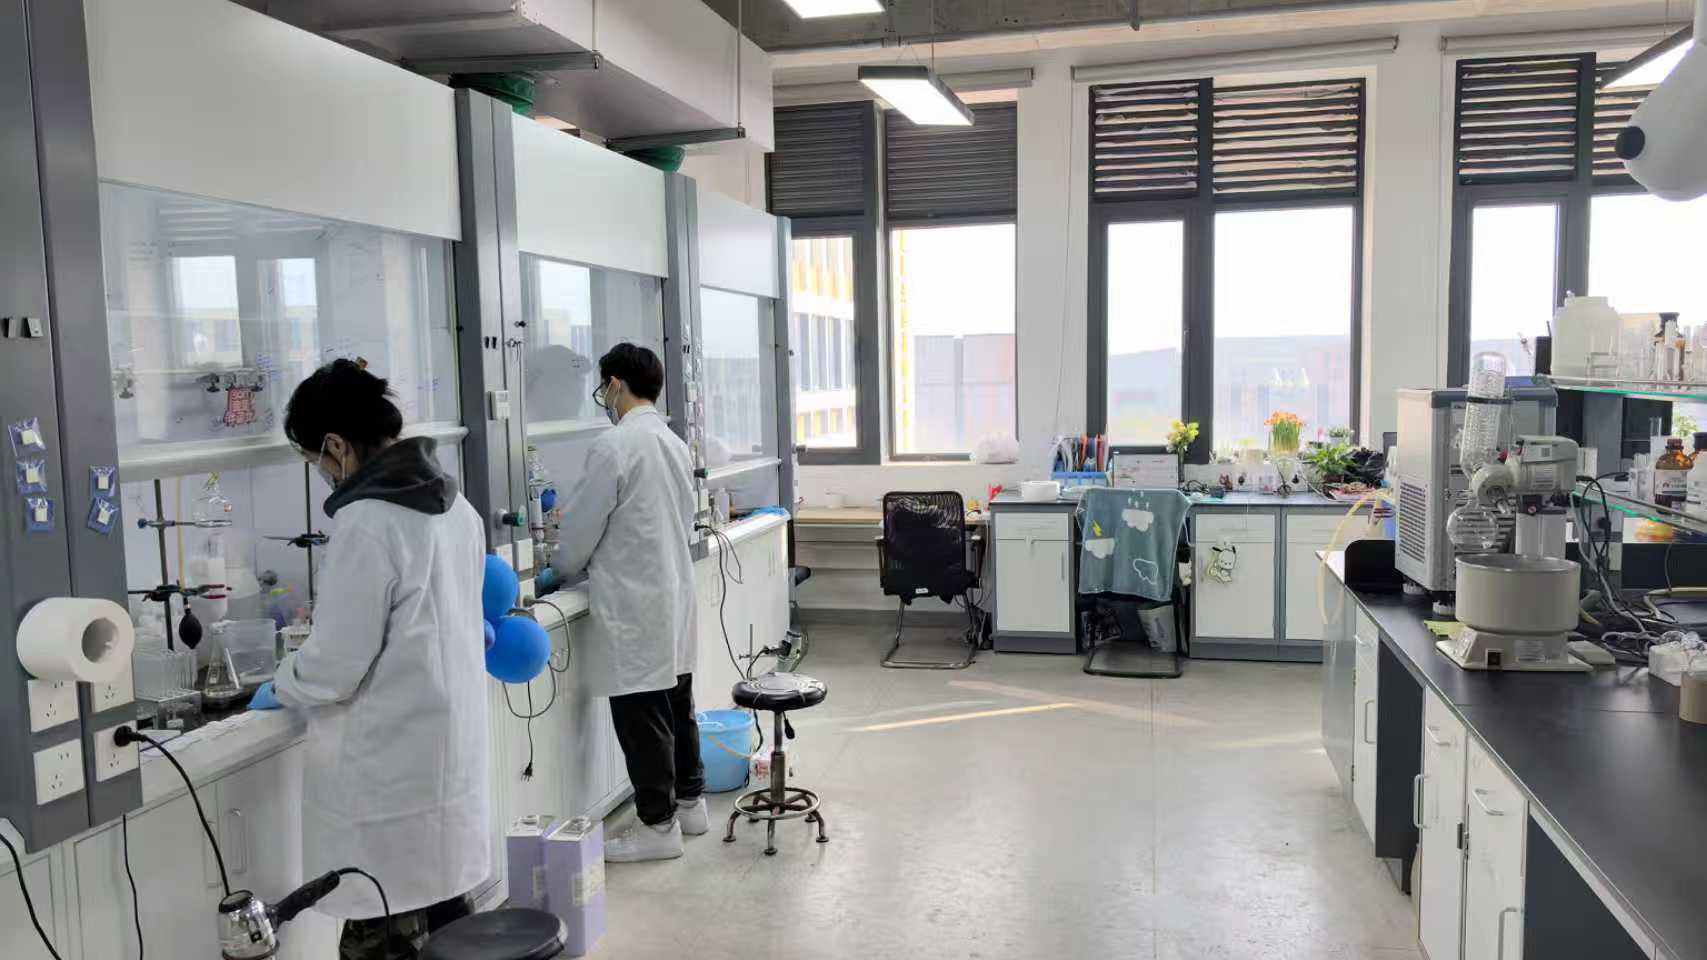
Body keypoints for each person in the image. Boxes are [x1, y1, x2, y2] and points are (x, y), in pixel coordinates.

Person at [251, 358, 490, 959]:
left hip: (388, 776)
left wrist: (284, 681)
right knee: (449, 926)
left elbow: (335, 668)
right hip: (448, 755)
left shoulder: (367, 523)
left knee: (383, 930)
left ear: (336, 445)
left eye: (316, 460)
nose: (322, 474)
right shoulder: (455, 508)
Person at [557, 342, 704, 862]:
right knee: (677, 701)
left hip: (635, 599)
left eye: (605, 386)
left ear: (615, 384)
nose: (604, 396)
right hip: (671, 590)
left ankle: (658, 827)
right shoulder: (672, 442)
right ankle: (690, 804)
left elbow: (581, 529)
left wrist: (561, 568)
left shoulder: (615, 446)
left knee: (643, 716)